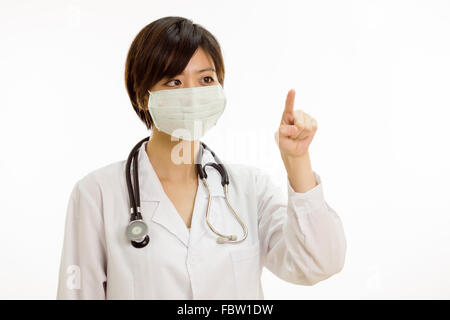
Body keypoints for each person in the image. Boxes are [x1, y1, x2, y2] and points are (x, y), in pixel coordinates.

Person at [56, 16, 347, 300]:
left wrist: (297, 160)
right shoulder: (97, 194)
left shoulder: (249, 188)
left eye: (206, 79)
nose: (193, 95)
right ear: (142, 96)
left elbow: (318, 263)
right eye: (174, 81)